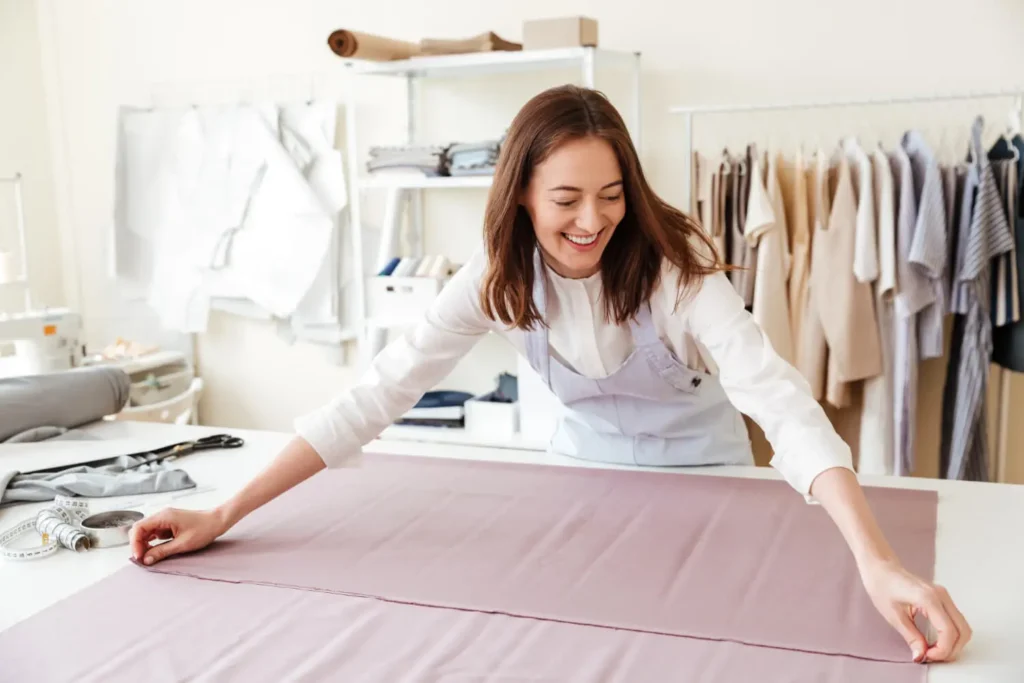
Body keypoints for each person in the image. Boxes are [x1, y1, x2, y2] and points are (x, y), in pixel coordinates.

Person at [129, 84, 970, 663]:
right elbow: (377, 394)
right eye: (566, 198)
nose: (593, 219)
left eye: (611, 193)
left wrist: (876, 560)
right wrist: (223, 511)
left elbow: (779, 401)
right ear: (523, 194)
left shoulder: (675, 271)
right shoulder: (496, 278)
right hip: (580, 483)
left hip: (706, 481)